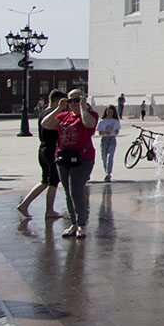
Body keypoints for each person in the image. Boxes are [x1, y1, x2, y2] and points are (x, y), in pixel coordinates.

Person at [42, 89, 99, 238]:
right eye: (70, 100)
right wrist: (59, 108)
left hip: (83, 158)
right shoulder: (64, 116)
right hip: (63, 158)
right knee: (68, 192)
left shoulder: (90, 115)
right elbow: (46, 124)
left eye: (76, 99)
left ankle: (81, 224)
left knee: (76, 191)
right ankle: (73, 223)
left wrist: (83, 107)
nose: (73, 103)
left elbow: (88, 123)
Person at [16, 89, 67, 218]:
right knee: (53, 181)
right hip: (50, 150)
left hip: (43, 149)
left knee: (45, 180)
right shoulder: (51, 113)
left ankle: (24, 204)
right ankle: (49, 210)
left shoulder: (44, 112)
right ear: (57, 101)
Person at [96, 106, 121, 182]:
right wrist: (105, 132)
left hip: (112, 140)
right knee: (104, 157)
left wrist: (112, 131)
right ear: (106, 112)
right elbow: (99, 132)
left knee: (110, 157)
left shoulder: (115, 121)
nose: (109, 113)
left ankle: (108, 173)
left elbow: (117, 132)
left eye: (111, 112)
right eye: (108, 112)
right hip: (104, 140)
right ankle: (106, 170)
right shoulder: (102, 121)